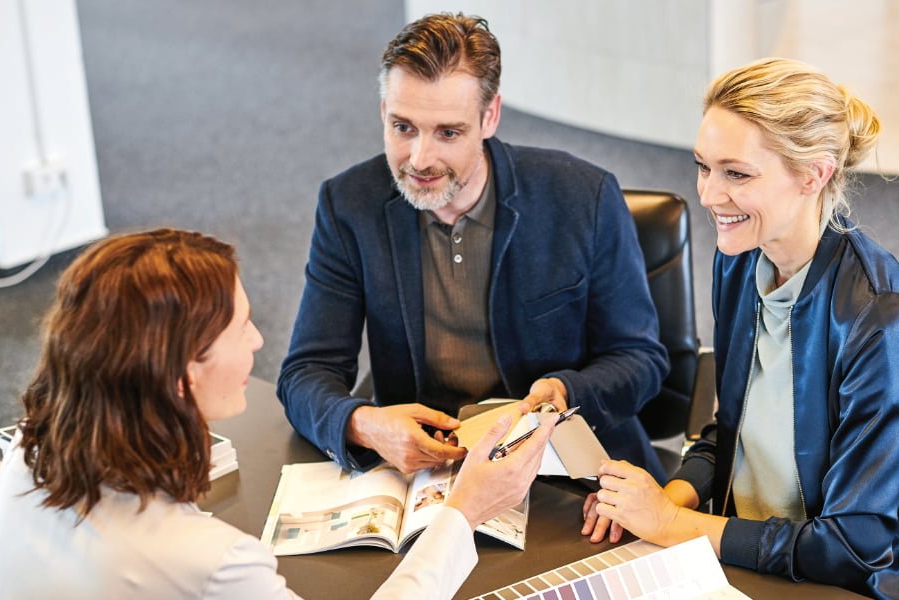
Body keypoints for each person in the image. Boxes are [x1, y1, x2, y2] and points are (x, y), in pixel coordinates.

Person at [580, 59, 899, 599]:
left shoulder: (878, 318)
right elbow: (732, 430)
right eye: (703, 166)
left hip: (882, 578)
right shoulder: (742, 259)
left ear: (812, 174)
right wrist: (663, 499)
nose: (707, 194)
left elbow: (852, 545)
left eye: (736, 173)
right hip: (765, 546)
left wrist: (672, 526)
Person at [0, 228, 556, 600]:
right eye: (242, 326)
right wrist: (464, 511)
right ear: (184, 373)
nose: (259, 340)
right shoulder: (215, 564)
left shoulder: (26, 455)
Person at [277, 13, 670, 481]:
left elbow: (640, 358)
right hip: (433, 468)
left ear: (490, 117)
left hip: (566, 469)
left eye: (448, 132)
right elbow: (306, 372)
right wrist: (363, 424)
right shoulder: (349, 205)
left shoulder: (584, 197)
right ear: (384, 111)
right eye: (404, 127)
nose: (420, 159)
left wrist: (567, 390)